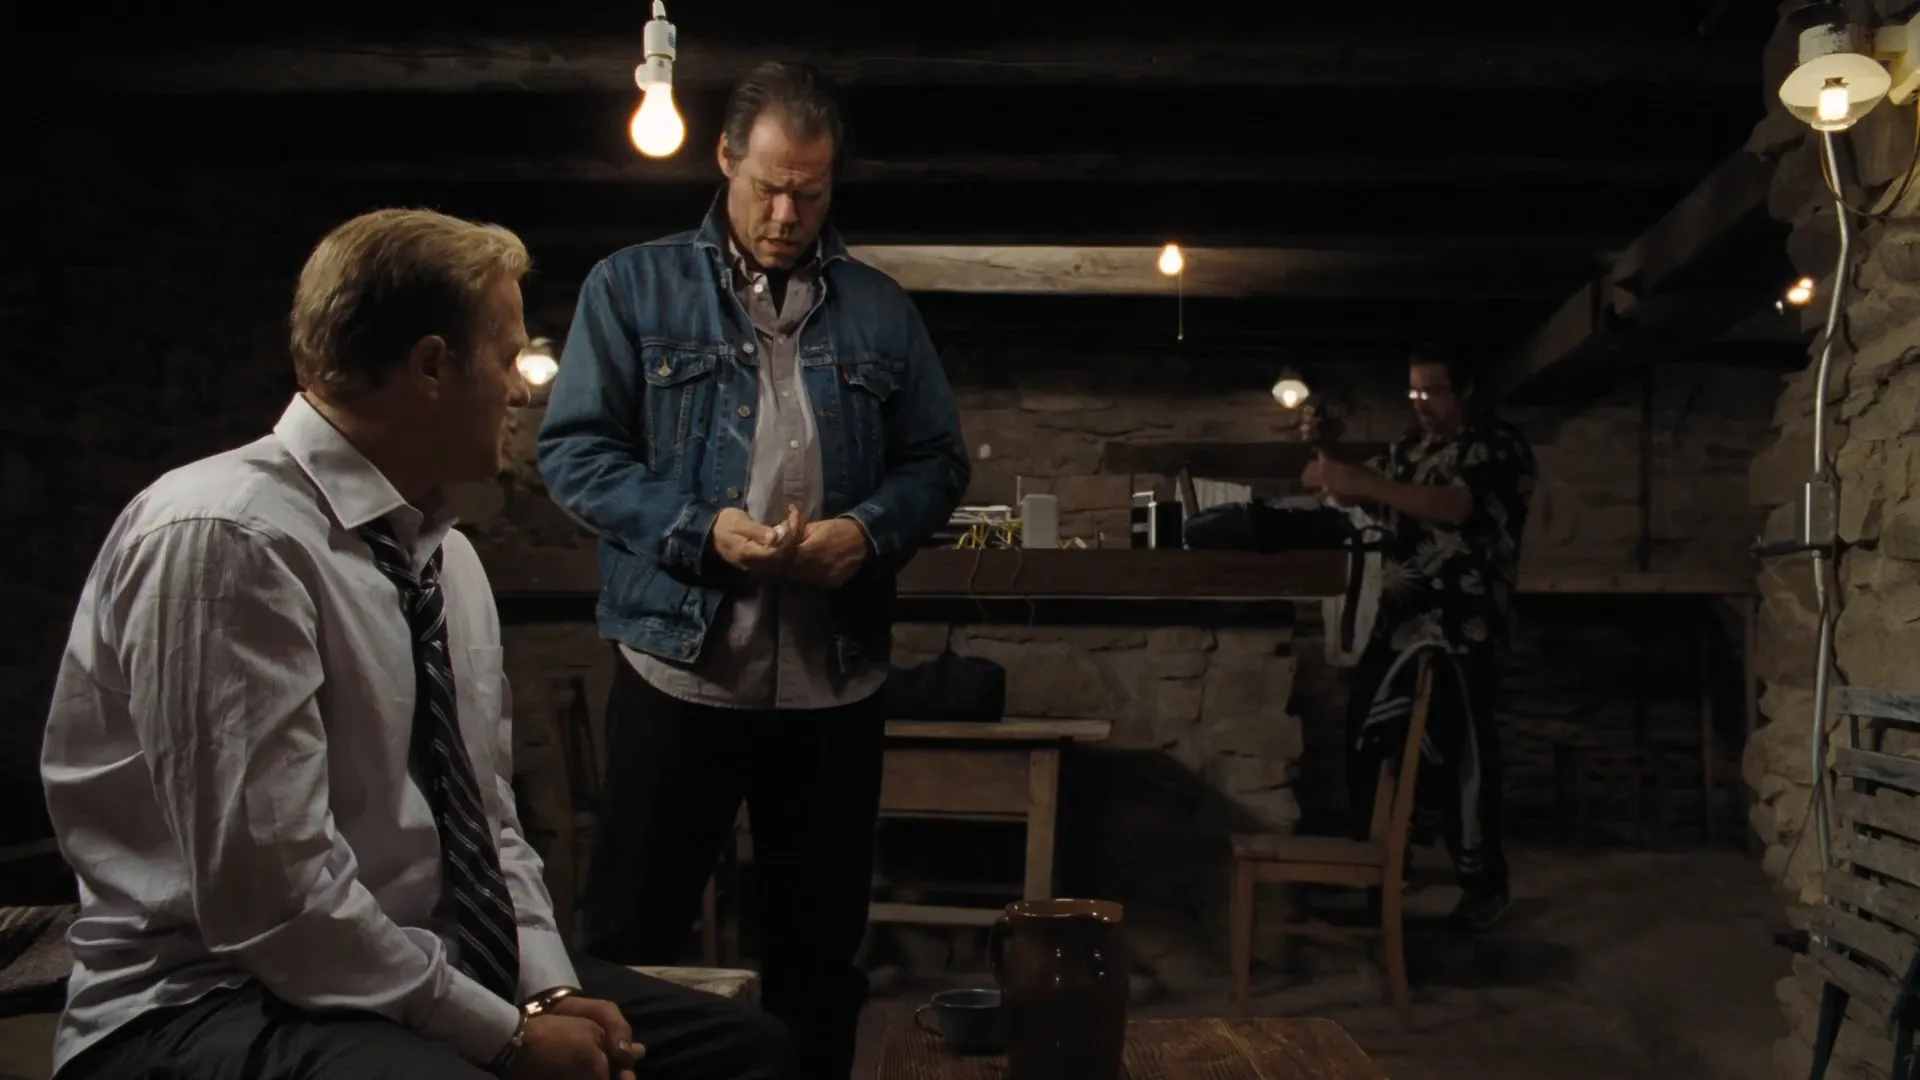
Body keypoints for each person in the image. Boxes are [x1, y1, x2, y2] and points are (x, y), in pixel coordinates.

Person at [40, 208, 794, 1080]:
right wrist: (507, 1038)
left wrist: (545, 989)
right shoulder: (227, 536)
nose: (521, 391)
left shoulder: (444, 557)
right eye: (507, 358)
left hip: (416, 962)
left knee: (748, 1053)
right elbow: (272, 903)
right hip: (209, 997)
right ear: (433, 366)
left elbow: (490, 824)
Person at [536, 62, 970, 1078]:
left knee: (818, 960)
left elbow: (938, 461)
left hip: (833, 683)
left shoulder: (881, 309)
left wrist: (865, 534)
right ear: (726, 158)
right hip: (679, 671)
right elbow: (576, 453)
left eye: (810, 194)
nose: (785, 216)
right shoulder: (631, 286)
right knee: (633, 943)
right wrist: (703, 531)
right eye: (769, 187)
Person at [1299, 350, 1536, 931]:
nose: (1421, 404)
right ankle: (1381, 866)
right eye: (1413, 393)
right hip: (1401, 622)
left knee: (1463, 755)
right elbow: (1352, 490)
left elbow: (1453, 506)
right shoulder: (1409, 449)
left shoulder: (1498, 446)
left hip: (1464, 626)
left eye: (1433, 391)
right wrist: (1326, 457)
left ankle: (1482, 883)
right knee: (1369, 732)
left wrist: (1365, 482)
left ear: (1465, 390)